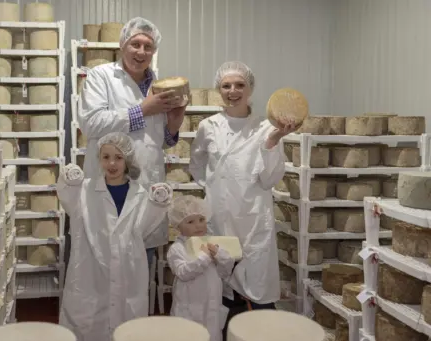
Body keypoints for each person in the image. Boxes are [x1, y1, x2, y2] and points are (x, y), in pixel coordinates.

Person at [188, 61, 297, 339]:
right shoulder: (207, 126)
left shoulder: (265, 128)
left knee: (258, 295)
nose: (233, 91)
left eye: (240, 85)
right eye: (226, 86)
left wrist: (273, 142)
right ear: (218, 90)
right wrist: (214, 188)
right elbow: (197, 164)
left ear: (250, 89)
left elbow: (270, 179)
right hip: (218, 220)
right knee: (221, 295)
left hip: (253, 223)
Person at [78, 17, 186, 268]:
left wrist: (175, 121)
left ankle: (138, 310)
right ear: (122, 45)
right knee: (106, 264)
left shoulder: (158, 84)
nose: (141, 52)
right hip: (112, 184)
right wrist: (142, 110)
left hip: (147, 183)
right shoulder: (101, 76)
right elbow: (91, 123)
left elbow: (160, 141)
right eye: (135, 44)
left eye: (148, 47)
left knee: (140, 267)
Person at [57, 132, 174, 341]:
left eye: (118, 158)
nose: (112, 163)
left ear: (127, 160)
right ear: (98, 159)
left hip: (127, 271)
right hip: (90, 273)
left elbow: (146, 226)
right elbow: (67, 194)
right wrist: (68, 178)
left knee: (125, 330)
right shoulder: (84, 190)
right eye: (106, 157)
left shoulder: (139, 193)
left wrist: (158, 203)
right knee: (89, 329)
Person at [167, 195, 234, 341]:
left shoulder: (212, 243)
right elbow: (183, 273)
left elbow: (225, 272)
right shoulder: (177, 249)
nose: (198, 225)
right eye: (190, 222)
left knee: (212, 335)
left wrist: (220, 255)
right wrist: (203, 258)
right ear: (178, 226)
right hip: (189, 308)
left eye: (201, 220)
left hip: (212, 306)